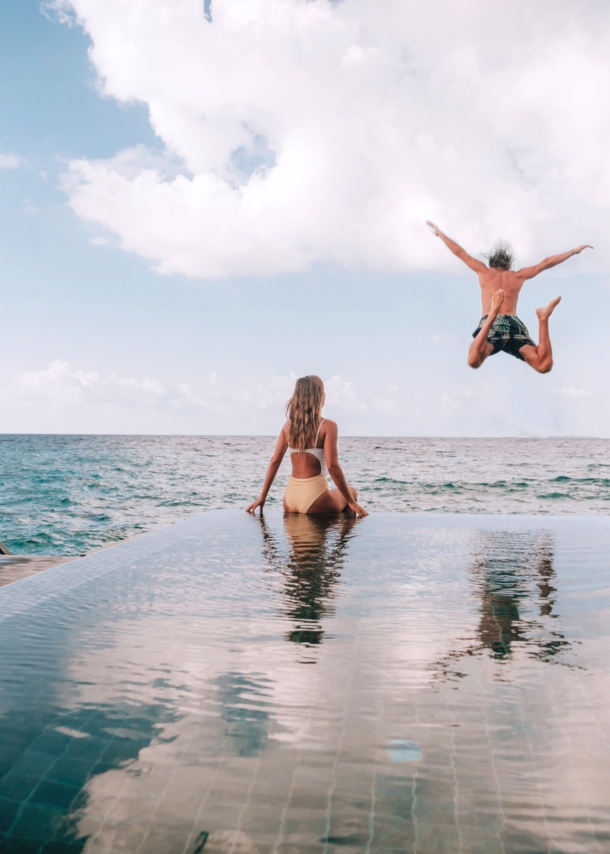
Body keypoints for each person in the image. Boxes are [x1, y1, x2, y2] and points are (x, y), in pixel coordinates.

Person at [427, 221, 593, 373]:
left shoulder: (483, 271)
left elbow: (459, 252)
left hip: (491, 324)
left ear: (491, 262)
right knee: (543, 365)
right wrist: (573, 251)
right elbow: (546, 262)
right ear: (509, 264)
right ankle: (543, 318)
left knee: (473, 361)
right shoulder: (518, 275)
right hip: (514, 325)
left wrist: (440, 233)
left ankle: (493, 314)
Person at [246, 375, 368, 517]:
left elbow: (275, 461)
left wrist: (263, 497)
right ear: (320, 397)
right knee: (351, 491)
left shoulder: (288, 426)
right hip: (315, 499)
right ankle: (343, 535)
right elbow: (333, 466)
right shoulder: (328, 426)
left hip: (290, 500)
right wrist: (351, 502)